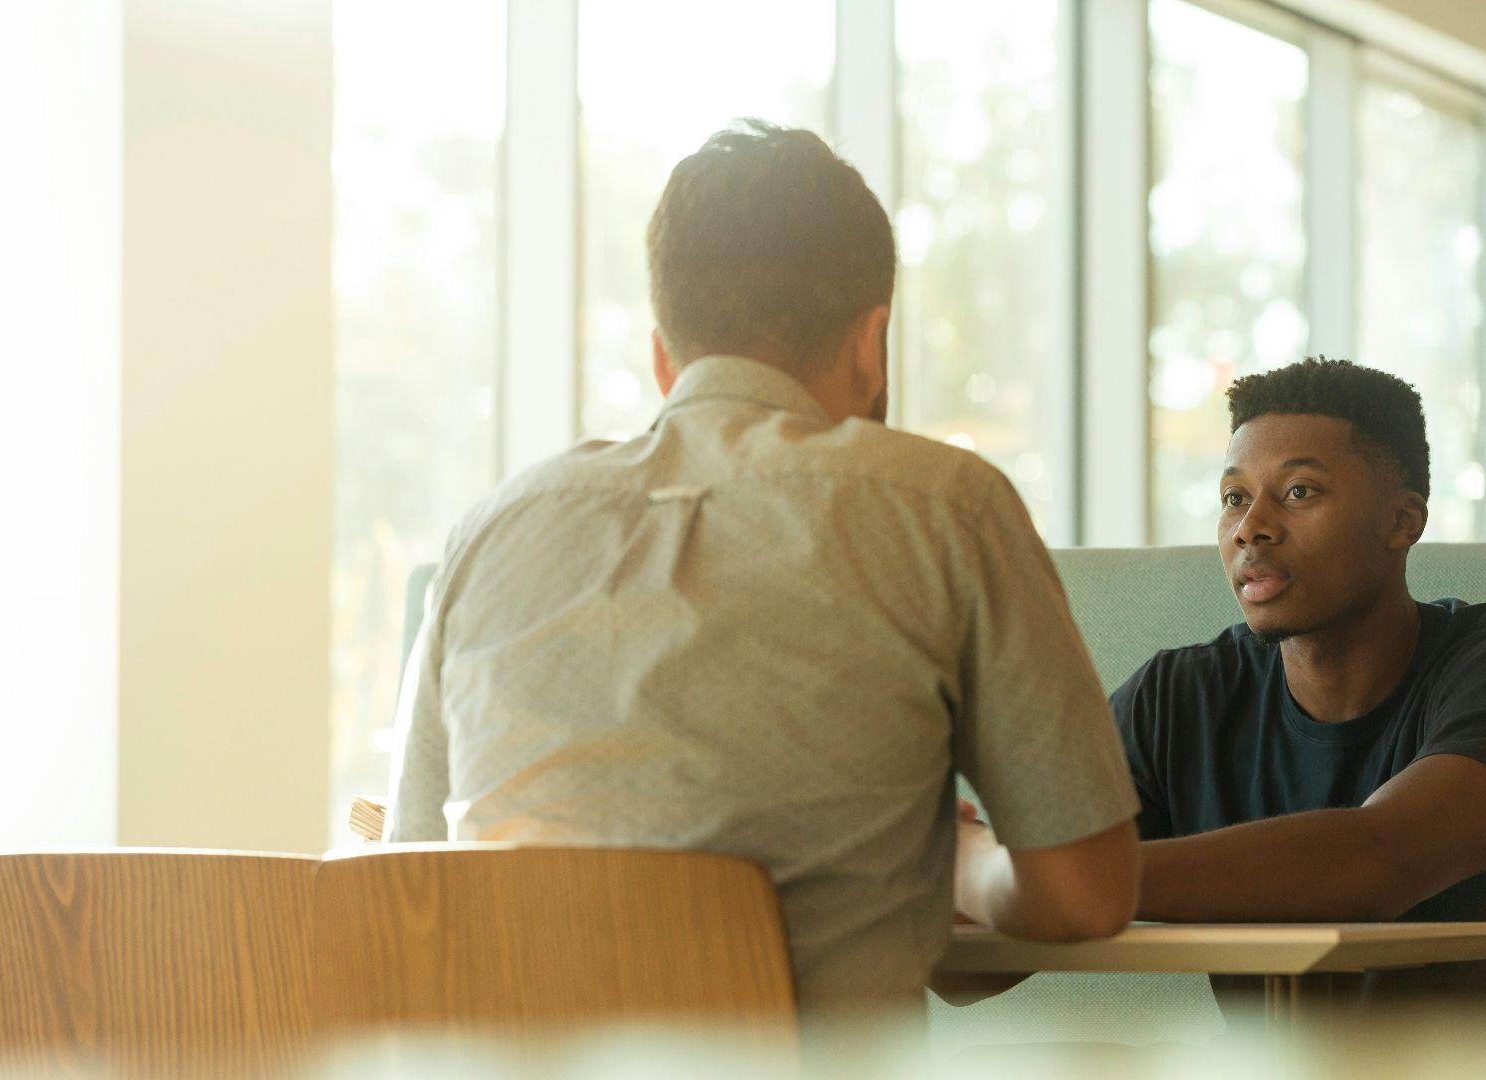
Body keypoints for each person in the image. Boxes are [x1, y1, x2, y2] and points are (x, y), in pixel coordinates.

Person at [386, 120, 1140, 1023]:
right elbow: (1086, 896)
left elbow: (407, 886)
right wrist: (965, 862)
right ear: (872, 344)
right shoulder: (947, 506)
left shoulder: (489, 531)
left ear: (665, 357)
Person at [1112, 357, 1486, 1003]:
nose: (1249, 527)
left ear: (1402, 522)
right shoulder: (1176, 698)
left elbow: (1373, 866)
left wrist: (1038, 879)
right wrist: (971, 870)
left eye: (1298, 493)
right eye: (1234, 497)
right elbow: (972, 972)